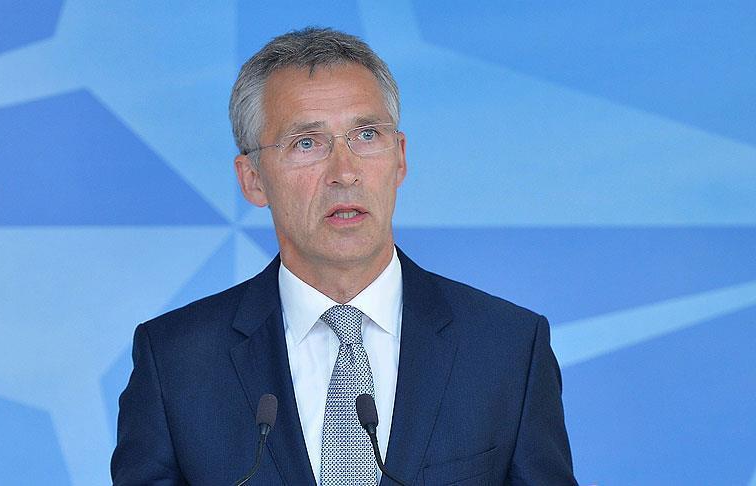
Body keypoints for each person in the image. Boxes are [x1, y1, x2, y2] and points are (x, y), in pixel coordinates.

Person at [111, 27, 577, 485]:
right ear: (253, 179)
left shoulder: (507, 349)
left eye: (367, 135)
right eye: (307, 143)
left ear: (400, 157)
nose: (345, 172)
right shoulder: (175, 363)